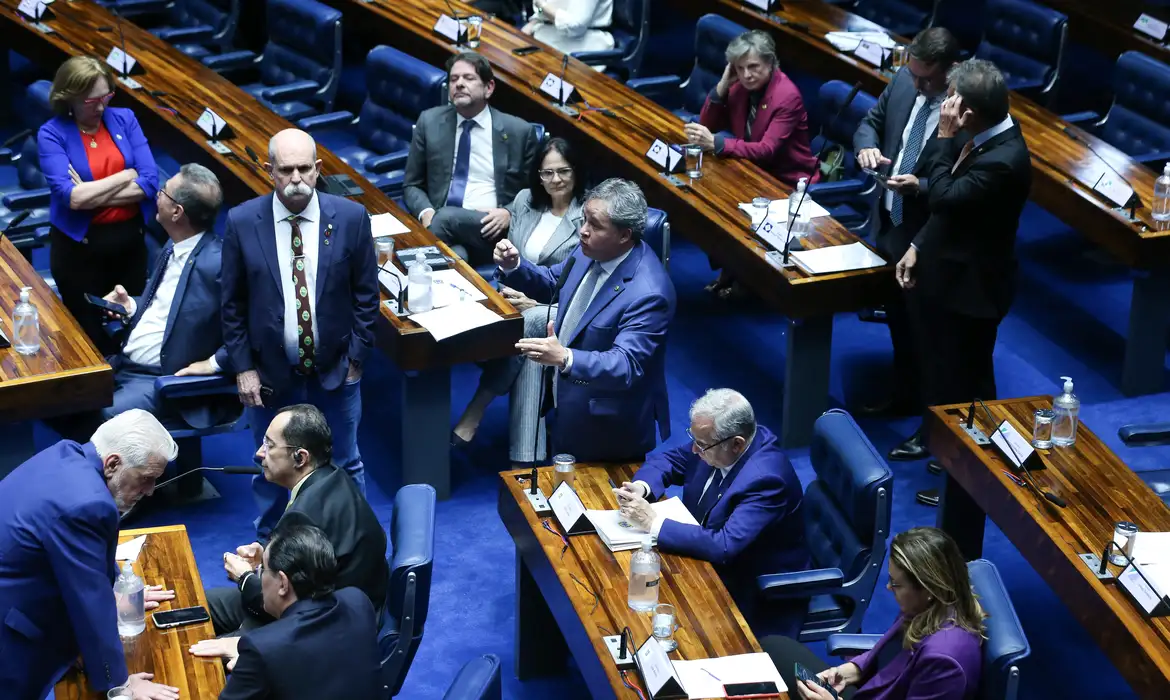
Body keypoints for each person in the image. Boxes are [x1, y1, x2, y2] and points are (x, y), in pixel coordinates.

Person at [221, 128, 379, 538]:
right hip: (270, 374)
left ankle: (353, 542)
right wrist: (243, 369)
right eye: (286, 170)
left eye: (304, 169)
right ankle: (273, 549)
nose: (296, 179)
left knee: (345, 462)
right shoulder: (242, 222)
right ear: (268, 170)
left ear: (318, 169)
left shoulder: (349, 217)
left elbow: (367, 295)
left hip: (336, 371)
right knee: (271, 467)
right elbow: (232, 304)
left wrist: (356, 359)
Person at [895, 59, 1031, 506]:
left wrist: (942, 138)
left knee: (970, 385)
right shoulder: (984, 137)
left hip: (974, 290)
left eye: (951, 99)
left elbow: (944, 195)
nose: (945, 105)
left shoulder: (1004, 159)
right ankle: (939, 441)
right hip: (947, 273)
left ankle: (968, 483)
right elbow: (947, 213)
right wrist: (918, 244)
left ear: (968, 112)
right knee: (941, 370)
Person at [0, 410, 180, 700]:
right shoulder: (87, 503)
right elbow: (90, 604)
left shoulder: (67, 452)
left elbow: (82, 557)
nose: (149, 492)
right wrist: (120, 683)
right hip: (10, 634)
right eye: (146, 479)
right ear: (112, 463)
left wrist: (120, 590)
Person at [495, 178, 675, 462]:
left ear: (625, 235)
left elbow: (626, 365)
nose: (583, 231)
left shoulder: (650, 294)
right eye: (585, 220)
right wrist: (514, 266)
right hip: (569, 403)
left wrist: (565, 357)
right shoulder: (589, 249)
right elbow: (555, 282)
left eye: (595, 225)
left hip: (609, 429)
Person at [53, 164, 230, 442]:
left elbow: (255, 325)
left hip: (160, 380)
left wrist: (216, 363)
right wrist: (132, 306)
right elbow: (169, 309)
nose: (156, 196)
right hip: (125, 363)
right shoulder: (173, 245)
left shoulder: (219, 263)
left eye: (163, 192)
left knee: (100, 424)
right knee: (55, 399)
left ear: (177, 212)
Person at [614, 389, 808, 636]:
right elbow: (670, 460)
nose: (695, 450)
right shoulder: (716, 443)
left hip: (749, 586)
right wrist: (642, 488)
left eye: (702, 445)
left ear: (737, 444)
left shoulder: (766, 480)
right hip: (705, 559)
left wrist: (653, 522)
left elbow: (725, 546)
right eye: (694, 440)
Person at [853, 28, 961, 436]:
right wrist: (866, 145)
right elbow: (871, 123)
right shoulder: (904, 79)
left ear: (951, 70)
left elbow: (965, 185)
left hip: (929, 239)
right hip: (891, 226)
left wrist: (922, 186)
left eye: (926, 80)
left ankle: (933, 430)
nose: (917, 86)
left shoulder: (964, 110)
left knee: (931, 338)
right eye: (913, 76)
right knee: (899, 323)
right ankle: (903, 396)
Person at [451, 137, 586, 464]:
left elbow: (579, 282)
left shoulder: (586, 218)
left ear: (577, 172)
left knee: (531, 334)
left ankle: (479, 408)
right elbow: (509, 254)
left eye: (563, 172)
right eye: (547, 173)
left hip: (559, 310)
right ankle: (525, 457)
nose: (555, 180)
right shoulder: (526, 201)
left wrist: (536, 304)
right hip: (509, 298)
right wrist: (503, 266)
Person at [205, 404, 388, 636]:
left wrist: (244, 577)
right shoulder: (334, 477)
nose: (259, 453)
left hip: (324, 628)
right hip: (348, 605)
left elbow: (279, 606)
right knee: (200, 605)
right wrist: (269, 561)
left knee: (201, 655)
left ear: (300, 457)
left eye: (269, 446)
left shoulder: (303, 516)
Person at [760, 527, 984, 700]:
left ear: (928, 589)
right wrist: (850, 671)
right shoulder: (930, 605)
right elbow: (892, 653)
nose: (889, 588)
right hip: (869, 690)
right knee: (773, 647)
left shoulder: (945, 663)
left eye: (896, 584)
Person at [38, 56, 159, 354]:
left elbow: (150, 182)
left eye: (106, 96)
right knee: (88, 339)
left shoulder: (125, 118)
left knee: (130, 330)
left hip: (129, 247)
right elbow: (72, 198)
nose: (102, 107)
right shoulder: (52, 133)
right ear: (70, 98)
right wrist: (126, 175)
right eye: (92, 101)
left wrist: (91, 192)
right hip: (80, 254)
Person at [685, 30, 817, 300]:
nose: (747, 75)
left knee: (729, 204)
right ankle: (730, 270)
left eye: (754, 67)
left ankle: (747, 280)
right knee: (708, 201)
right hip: (751, 169)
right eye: (740, 68)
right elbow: (707, 125)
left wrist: (719, 144)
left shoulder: (786, 96)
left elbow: (767, 150)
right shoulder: (740, 86)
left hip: (785, 181)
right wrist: (723, 84)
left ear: (771, 63)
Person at [189, 523, 381, 699]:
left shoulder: (263, 649)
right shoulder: (358, 601)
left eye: (262, 569)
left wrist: (257, 664)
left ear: (282, 583)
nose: (260, 576)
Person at [403, 52, 538, 264]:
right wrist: (426, 212)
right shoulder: (429, 121)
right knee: (456, 257)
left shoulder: (519, 131)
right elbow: (411, 184)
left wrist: (508, 212)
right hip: (441, 225)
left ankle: (403, 275)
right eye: (454, 79)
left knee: (447, 217)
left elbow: (537, 193)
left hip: (491, 229)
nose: (459, 84)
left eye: (469, 78)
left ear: (489, 87)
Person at [521, 0, 614, 58]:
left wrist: (542, 6)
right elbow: (545, 8)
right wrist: (535, 21)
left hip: (576, 48)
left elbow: (576, 26)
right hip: (547, 39)